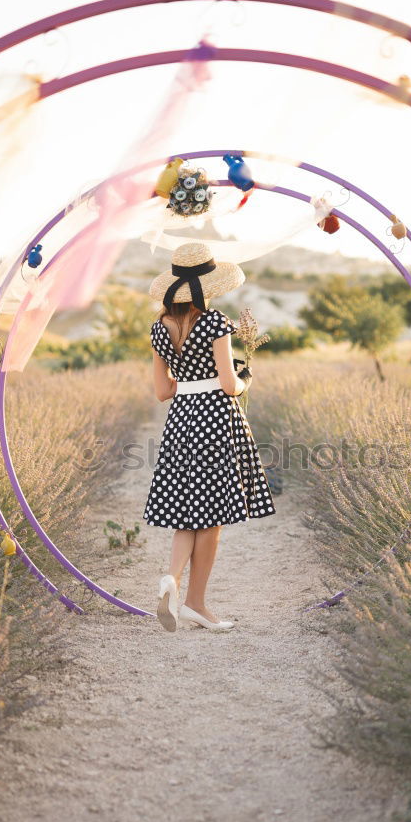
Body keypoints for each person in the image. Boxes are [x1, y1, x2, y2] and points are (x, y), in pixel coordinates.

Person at [143, 241, 276, 633]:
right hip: (215, 419)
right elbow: (230, 385)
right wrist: (245, 375)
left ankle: (172, 578)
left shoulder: (158, 329)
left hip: (182, 419)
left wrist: (184, 379)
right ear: (207, 287)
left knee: (187, 511)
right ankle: (196, 603)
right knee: (212, 515)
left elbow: (163, 392)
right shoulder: (217, 323)